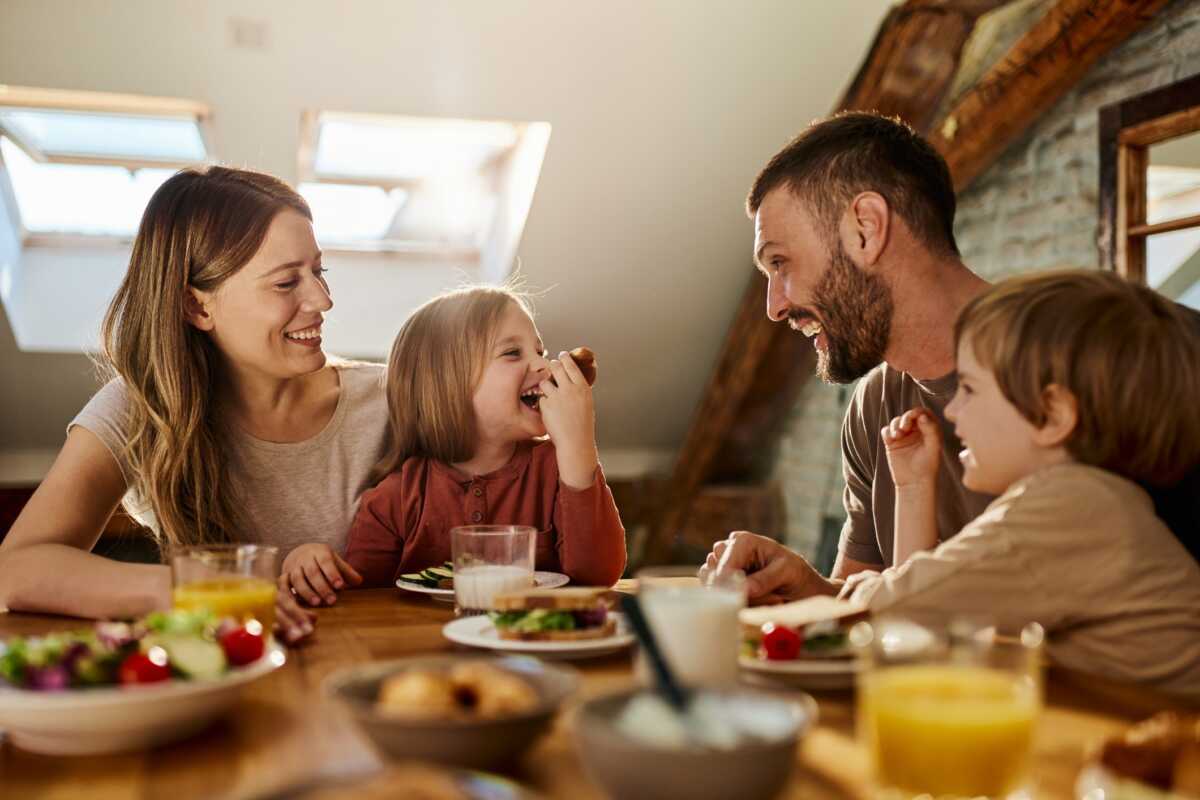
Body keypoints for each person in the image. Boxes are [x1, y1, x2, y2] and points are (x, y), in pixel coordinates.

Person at [707, 111, 1200, 598]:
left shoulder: (1102, 362)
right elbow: (888, 603)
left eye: (781, 262)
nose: (774, 307)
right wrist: (809, 588)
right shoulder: (876, 407)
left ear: (866, 228)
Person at [719, 271, 1200, 694]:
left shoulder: (1076, 507)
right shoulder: (1092, 502)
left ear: (1053, 415)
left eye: (970, 389)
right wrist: (912, 490)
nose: (952, 410)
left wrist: (728, 621)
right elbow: (921, 622)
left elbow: (901, 608)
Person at [0, 166, 387, 643]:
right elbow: (15, 569)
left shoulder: (392, 400)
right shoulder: (144, 406)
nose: (323, 300)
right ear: (198, 307)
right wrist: (192, 589)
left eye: (318, 272)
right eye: (287, 283)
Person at [335, 286, 627, 588]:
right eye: (513, 353)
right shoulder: (397, 497)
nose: (543, 365)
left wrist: (577, 445)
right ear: (448, 384)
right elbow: (360, 600)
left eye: (540, 352)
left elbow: (598, 576)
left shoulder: (558, 468)